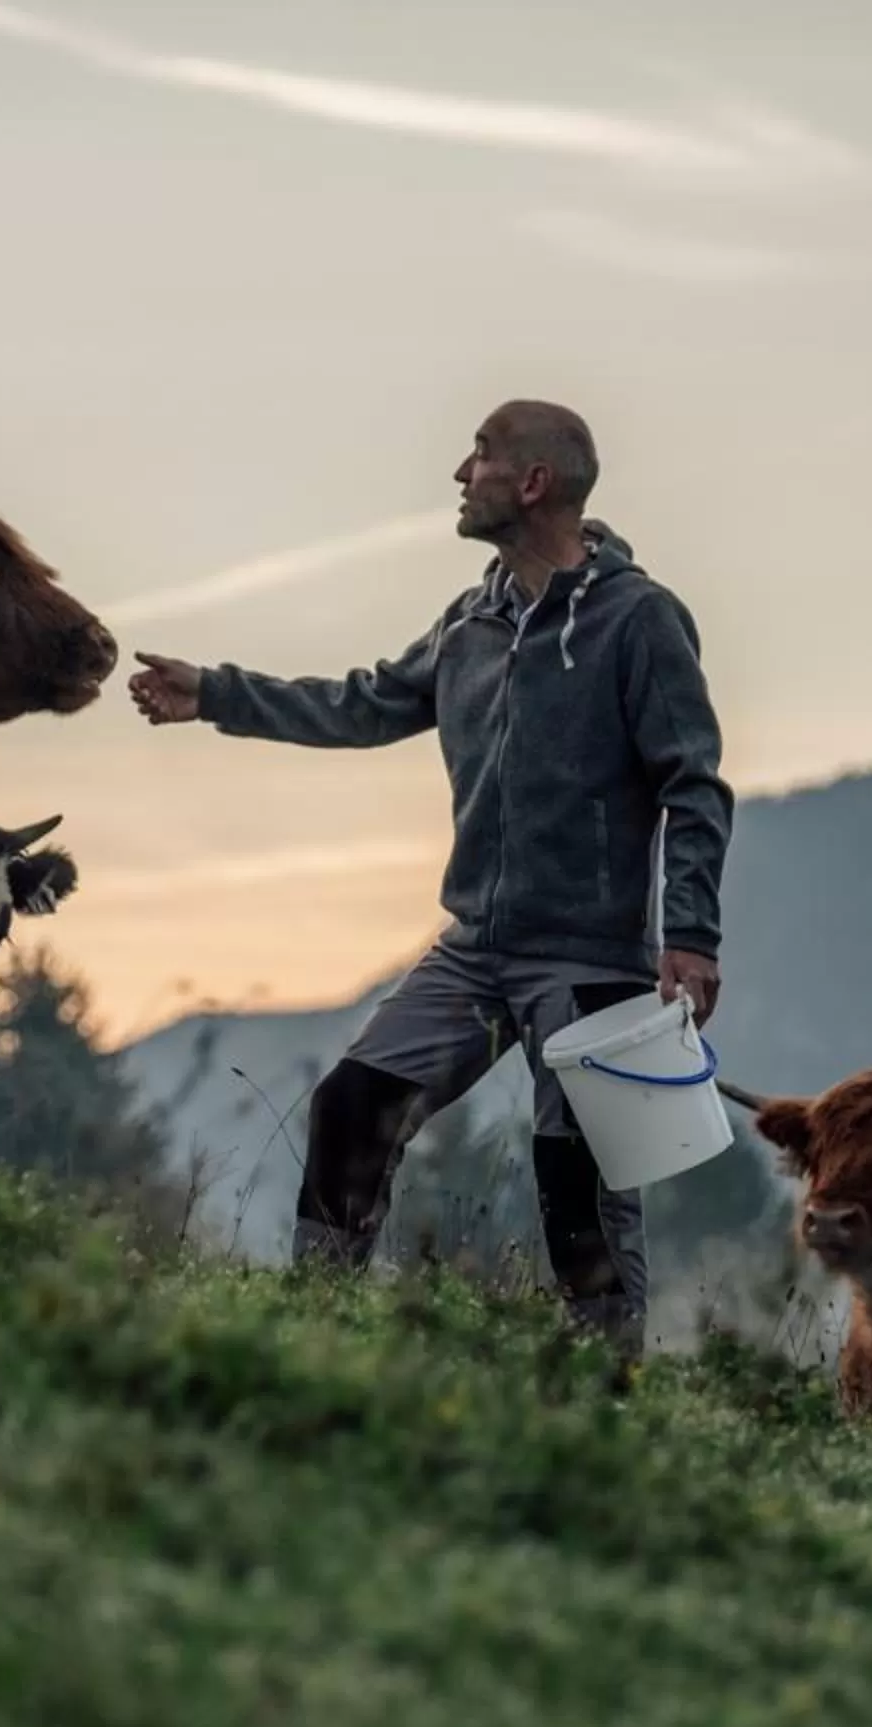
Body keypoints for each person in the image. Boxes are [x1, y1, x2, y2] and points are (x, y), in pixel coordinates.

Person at [128, 400, 733, 1353]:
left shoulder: (639, 621)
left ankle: (609, 1389)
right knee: (352, 1106)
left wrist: (691, 934)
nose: (461, 471)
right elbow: (365, 705)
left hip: (590, 962)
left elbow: (693, 785)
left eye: (482, 455)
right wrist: (216, 695)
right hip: (473, 956)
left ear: (533, 484)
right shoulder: (470, 621)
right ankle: (316, 1333)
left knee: (578, 1179)